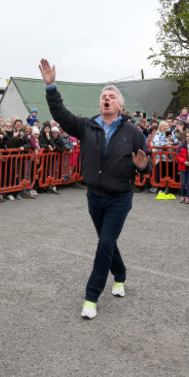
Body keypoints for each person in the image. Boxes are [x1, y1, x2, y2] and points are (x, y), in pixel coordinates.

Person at [39, 59, 151, 320]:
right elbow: (60, 115)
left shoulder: (133, 131)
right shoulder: (86, 126)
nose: (107, 99)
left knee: (105, 244)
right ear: (100, 104)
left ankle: (91, 297)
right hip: (94, 196)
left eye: (111, 96)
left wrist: (143, 167)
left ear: (120, 106)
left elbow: (148, 163)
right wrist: (50, 86)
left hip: (120, 197)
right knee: (106, 243)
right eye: (103, 97)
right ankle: (120, 276)